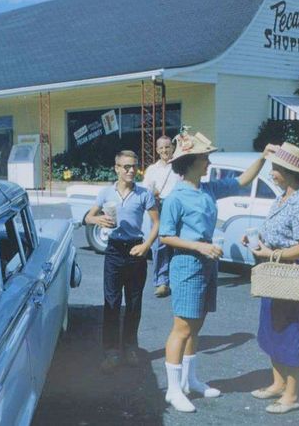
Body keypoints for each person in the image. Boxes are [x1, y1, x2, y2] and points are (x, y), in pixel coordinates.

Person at [159, 130, 276, 412]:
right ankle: (173, 390)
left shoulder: (207, 189)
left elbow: (241, 181)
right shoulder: (176, 197)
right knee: (182, 327)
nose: (209, 161)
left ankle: (190, 380)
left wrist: (262, 157)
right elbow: (165, 236)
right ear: (190, 162)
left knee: (196, 325)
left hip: (207, 264)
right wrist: (199, 247)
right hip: (187, 264)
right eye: (204, 157)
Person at [244, 142, 299, 415]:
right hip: (275, 273)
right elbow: (276, 233)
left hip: (291, 272)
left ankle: (292, 395)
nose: (272, 172)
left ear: (287, 172)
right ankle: (277, 384)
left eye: (275, 168)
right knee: (272, 329)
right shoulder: (282, 197)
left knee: (293, 332)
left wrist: (274, 254)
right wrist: (257, 241)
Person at [84, 150, 159, 370]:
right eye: (126, 166)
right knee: (112, 303)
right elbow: (88, 217)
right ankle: (111, 352)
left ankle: (129, 347)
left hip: (136, 249)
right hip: (115, 251)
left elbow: (157, 224)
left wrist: (146, 246)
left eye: (134, 166)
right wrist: (98, 220)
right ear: (116, 168)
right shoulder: (106, 193)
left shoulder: (144, 194)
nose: (131, 170)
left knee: (134, 303)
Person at [142, 135, 180, 298]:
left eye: (167, 147)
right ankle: (162, 282)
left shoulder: (180, 165)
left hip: (178, 207)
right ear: (157, 150)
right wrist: (152, 193)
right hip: (159, 206)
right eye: (161, 148)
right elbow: (145, 190)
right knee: (159, 245)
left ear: (172, 147)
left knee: (179, 243)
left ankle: (177, 279)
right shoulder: (152, 169)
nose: (165, 150)